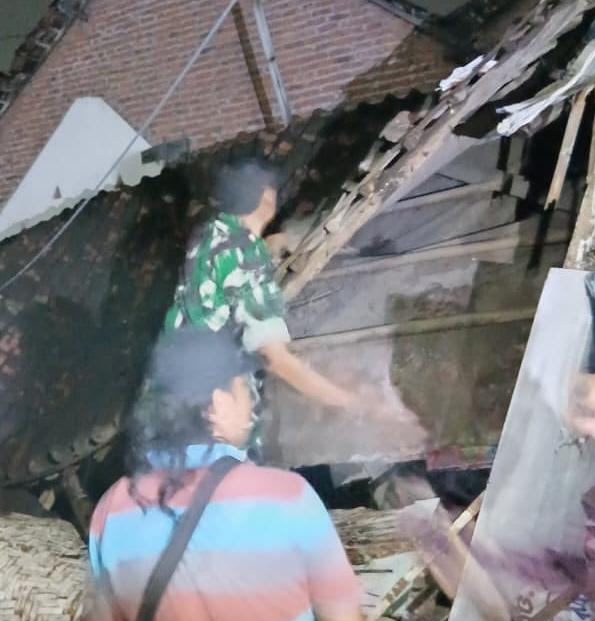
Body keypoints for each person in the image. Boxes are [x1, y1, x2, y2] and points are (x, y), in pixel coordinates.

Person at [83, 327, 370, 621]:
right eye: (244, 389)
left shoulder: (113, 509)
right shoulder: (288, 497)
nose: (252, 405)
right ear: (218, 404)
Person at [164, 162, 411, 455]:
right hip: (217, 419)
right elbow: (276, 360)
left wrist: (274, 244)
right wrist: (358, 405)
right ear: (265, 199)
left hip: (178, 407)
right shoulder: (246, 256)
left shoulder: (209, 235)